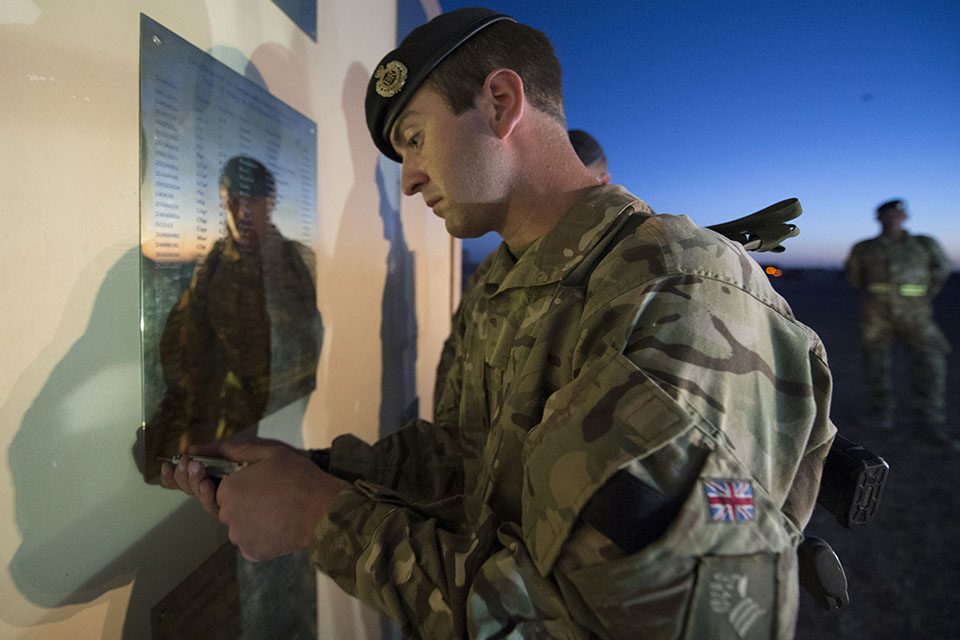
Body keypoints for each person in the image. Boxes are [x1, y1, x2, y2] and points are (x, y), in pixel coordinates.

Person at [162, 9, 836, 639]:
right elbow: (473, 465)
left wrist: (316, 515)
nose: (409, 179)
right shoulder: (518, 279)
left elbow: (596, 624)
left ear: (501, 102)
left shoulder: (673, 295)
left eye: (416, 138)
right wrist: (314, 470)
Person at [145, 156, 322, 476]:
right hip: (231, 419)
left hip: (285, 412)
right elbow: (194, 348)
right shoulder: (213, 265)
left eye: (251, 201)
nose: (241, 212)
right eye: (232, 201)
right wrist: (196, 423)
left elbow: (310, 340)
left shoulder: (295, 261)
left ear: (269, 204)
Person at [845, 199, 953, 445]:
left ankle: (929, 421)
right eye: (887, 215)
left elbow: (941, 271)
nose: (892, 219)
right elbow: (854, 278)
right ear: (879, 218)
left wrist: (919, 297)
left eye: (897, 214)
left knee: (931, 359)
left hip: (915, 314)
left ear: (905, 217)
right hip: (876, 314)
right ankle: (881, 415)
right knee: (875, 362)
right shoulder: (864, 248)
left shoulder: (923, 245)